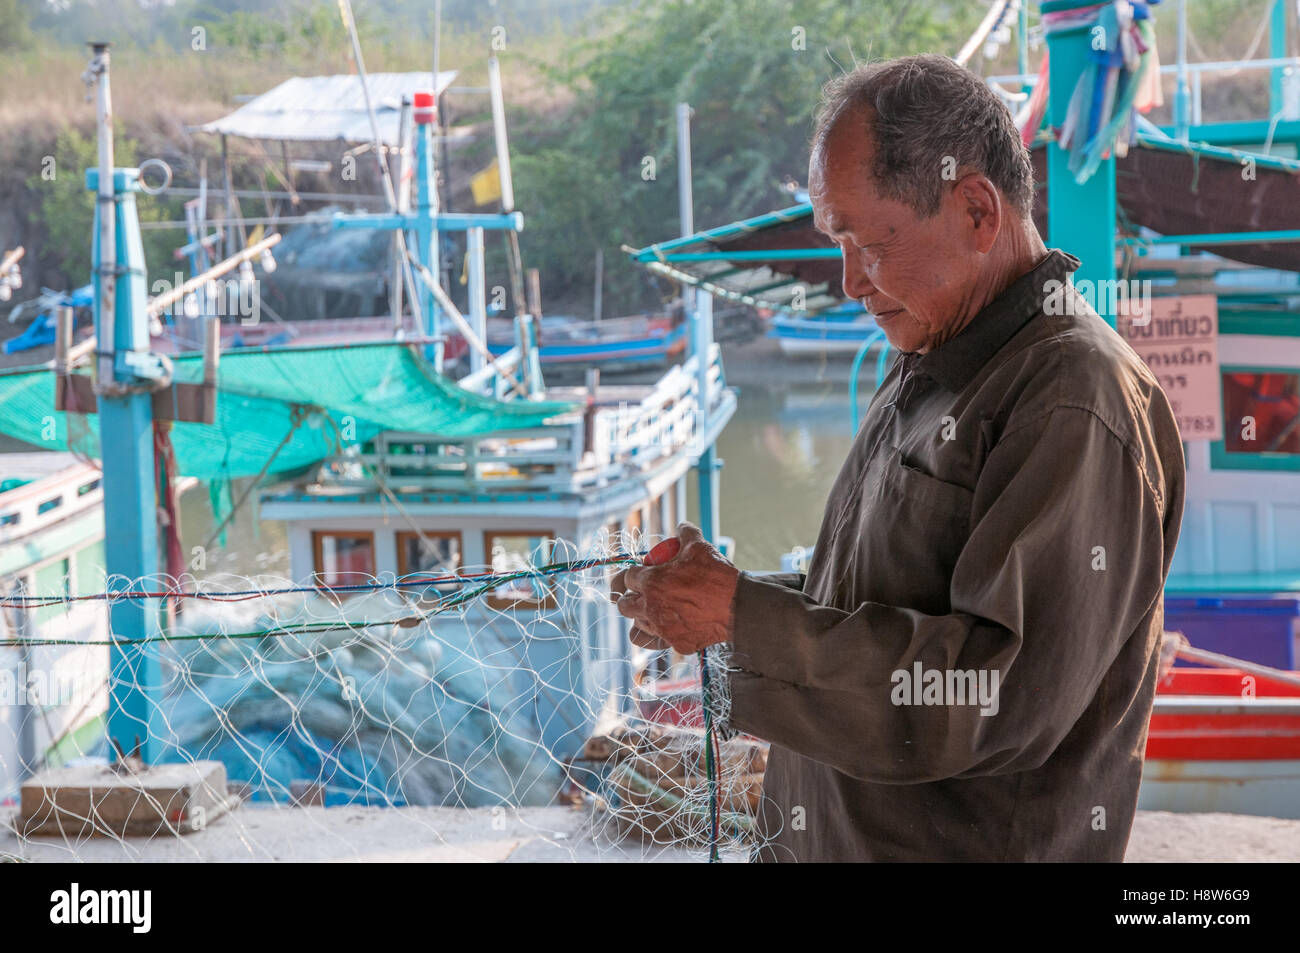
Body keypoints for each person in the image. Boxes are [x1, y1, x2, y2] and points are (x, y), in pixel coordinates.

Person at [611, 54, 1186, 862]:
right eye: (836, 243)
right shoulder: (933, 350)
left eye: (868, 244)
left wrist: (748, 618)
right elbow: (881, 598)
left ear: (977, 211)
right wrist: (726, 605)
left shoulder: (1073, 400)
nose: (849, 281)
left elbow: (994, 691)